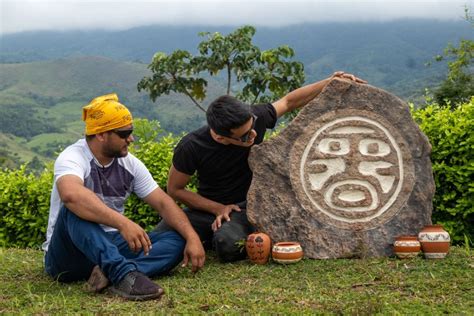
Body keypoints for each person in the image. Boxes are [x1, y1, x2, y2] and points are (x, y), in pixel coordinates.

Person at [154, 71, 366, 262]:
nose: (253, 134)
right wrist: (217, 208)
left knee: (228, 246)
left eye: (253, 125)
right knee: (158, 236)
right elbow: (175, 189)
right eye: (245, 135)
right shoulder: (191, 146)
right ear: (220, 136)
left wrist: (330, 81)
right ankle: (205, 234)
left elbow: (290, 101)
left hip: (246, 206)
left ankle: (217, 235)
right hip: (207, 207)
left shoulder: (255, 119)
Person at [42, 94, 205, 301]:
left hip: (111, 246)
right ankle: (122, 274)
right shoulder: (72, 157)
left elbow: (163, 203)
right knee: (73, 209)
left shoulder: (130, 164)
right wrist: (123, 223)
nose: (131, 138)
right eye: (124, 133)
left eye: (131, 132)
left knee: (176, 240)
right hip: (69, 255)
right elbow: (71, 194)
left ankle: (108, 273)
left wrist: (192, 238)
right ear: (101, 134)